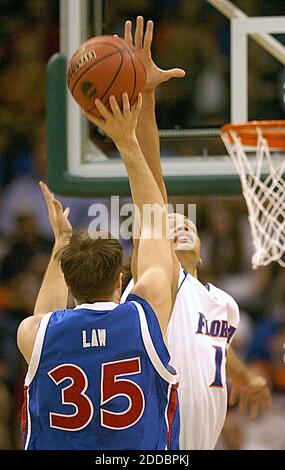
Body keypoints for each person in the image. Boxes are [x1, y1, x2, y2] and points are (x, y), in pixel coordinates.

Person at [118, 16, 271, 450]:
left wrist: (248, 379)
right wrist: (146, 94)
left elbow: (217, 347)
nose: (178, 225)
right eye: (168, 225)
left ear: (202, 255)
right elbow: (152, 174)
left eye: (186, 224)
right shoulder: (159, 285)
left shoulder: (220, 303)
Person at [17, 94, 179, 450]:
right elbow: (154, 224)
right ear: (120, 280)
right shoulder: (145, 316)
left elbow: (45, 314)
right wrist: (126, 142)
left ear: (71, 285)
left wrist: (62, 239)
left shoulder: (36, 334)